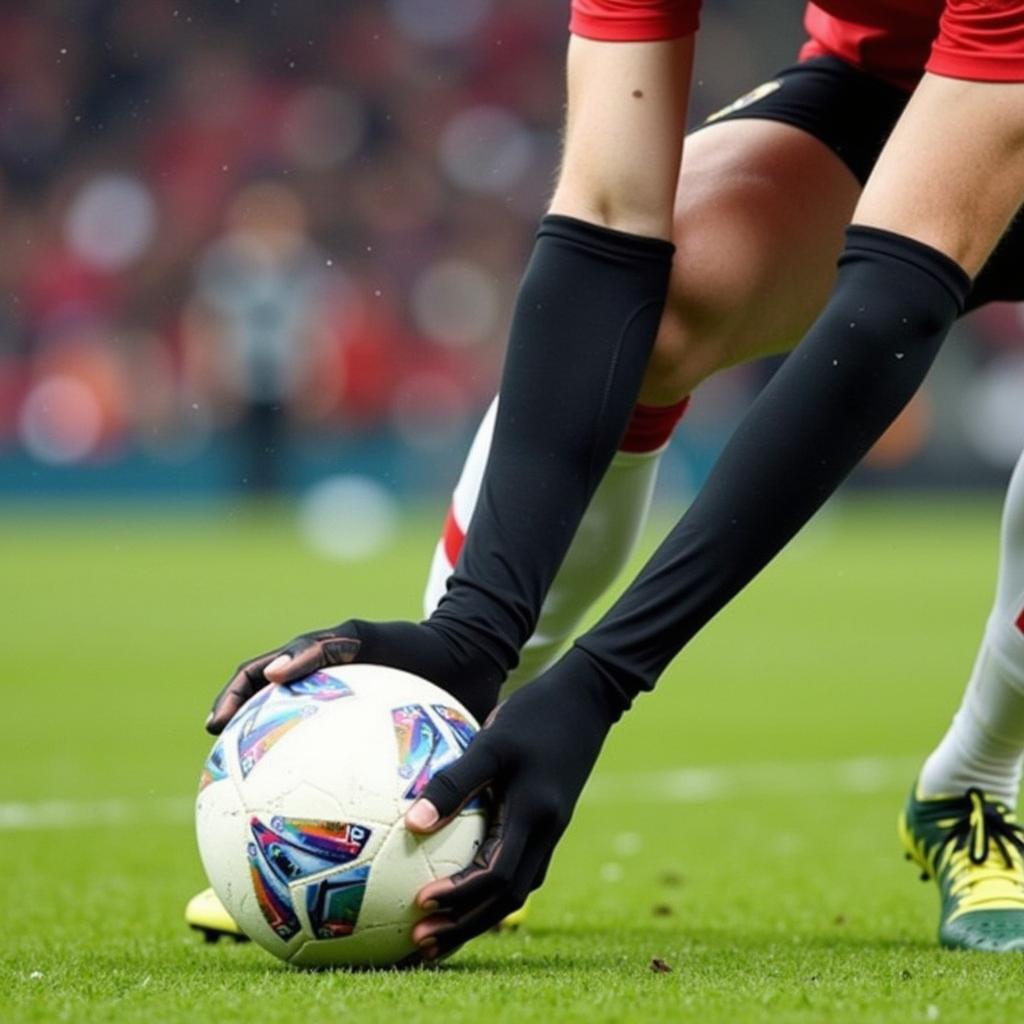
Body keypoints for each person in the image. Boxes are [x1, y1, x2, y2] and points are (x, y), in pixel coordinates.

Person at [197, 0, 1024, 958]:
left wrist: (604, 679)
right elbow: (601, 226)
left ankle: (976, 783)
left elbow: (892, 310)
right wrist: (473, 631)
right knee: (667, 300)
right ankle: (443, 778)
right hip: (894, 84)